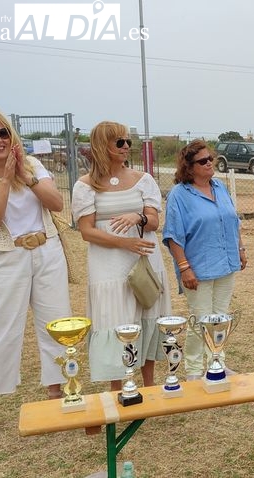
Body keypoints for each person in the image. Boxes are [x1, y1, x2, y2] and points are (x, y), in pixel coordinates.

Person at [0, 108, 70, 441]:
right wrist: (5, 180)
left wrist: (25, 174)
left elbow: (57, 203)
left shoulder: (32, 165)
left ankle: (56, 395)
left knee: (56, 325)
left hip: (47, 252)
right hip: (7, 258)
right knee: (2, 330)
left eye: (3, 132)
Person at [71, 121, 171, 391]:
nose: (127, 147)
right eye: (120, 142)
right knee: (116, 320)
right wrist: (122, 242)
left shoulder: (143, 180)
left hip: (144, 260)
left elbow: (153, 222)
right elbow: (87, 231)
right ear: (103, 146)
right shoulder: (85, 186)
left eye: (128, 142)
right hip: (108, 265)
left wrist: (137, 216)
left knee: (147, 315)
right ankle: (120, 387)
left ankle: (149, 386)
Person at [163, 139, 247, 381]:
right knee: (200, 321)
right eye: (203, 161)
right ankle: (192, 371)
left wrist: (240, 248)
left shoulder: (220, 187)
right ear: (189, 167)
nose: (210, 163)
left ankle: (217, 363)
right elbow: (173, 235)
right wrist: (183, 267)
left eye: (211, 158)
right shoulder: (179, 195)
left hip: (225, 263)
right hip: (197, 268)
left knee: (220, 318)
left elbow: (233, 221)